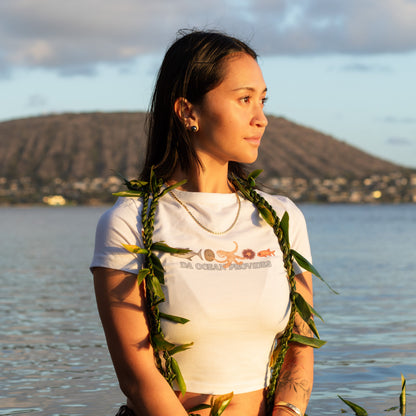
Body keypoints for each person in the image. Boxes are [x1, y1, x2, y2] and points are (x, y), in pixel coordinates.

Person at [91, 30, 315, 416]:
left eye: (262, 101)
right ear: (187, 111)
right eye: (244, 99)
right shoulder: (132, 223)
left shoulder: (280, 218)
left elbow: (300, 345)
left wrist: (288, 412)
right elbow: (137, 377)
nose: (260, 118)